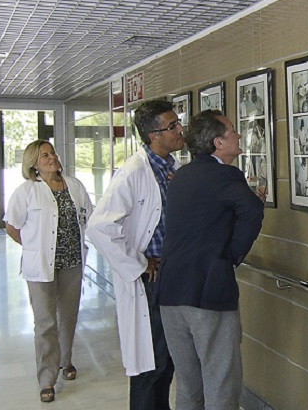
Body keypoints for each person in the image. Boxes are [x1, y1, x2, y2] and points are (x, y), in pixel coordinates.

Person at [157, 110, 265, 410]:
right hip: (208, 293)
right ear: (219, 142)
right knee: (220, 382)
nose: (239, 135)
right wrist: (230, 256)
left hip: (170, 292)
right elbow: (252, 212)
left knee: (190, 385)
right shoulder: (226, 175)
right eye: (233, 130)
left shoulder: (182, 175)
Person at [86, 98, 182, 410]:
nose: (180, 129)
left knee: (166, 361)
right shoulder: (132, 173)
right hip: (150, 281)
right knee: (149, 365)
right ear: (154, 134)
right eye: (173, 126)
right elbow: (99, 227)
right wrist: (139, 265)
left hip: (171, 276)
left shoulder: (170, 168)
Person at [4, 140, 94, 403]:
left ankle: (66, 361)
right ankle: (46, 378)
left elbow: (88, 215)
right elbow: (12, 227)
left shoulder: (74, 185)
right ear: (33, 162)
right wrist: (32, 247)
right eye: (45, 155)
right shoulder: (26, 191)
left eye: (53, 152)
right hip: (41, 266)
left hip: (72, 263)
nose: (52, 157)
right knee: (45, 323)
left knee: (68, 316)